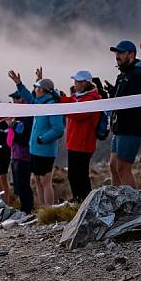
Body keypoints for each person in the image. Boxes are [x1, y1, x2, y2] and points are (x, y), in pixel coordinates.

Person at [8, 70, 64, 206]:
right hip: (35, 150)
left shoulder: (52, 106)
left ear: (43, 90)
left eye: (37, 88)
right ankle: (42, 210)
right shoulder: (39, 103)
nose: (35, 90)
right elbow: (28, 96)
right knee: (38, 180)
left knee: (45, 181)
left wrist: (42, 139)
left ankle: (49, 210)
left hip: (45, 151)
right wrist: (19, 84)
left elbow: (58, 129)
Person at [107, 41, 141, 188]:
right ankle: (116, 199)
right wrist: (111, 93)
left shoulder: (139, 75)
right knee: (113, 165)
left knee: (123, 167)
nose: (117, 56)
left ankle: (130, 204)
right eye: (116, 53)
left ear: (131, 55)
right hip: (119, 126)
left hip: (132, 127)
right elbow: (121, 99)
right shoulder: (123, 75)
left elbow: (138, 103)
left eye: (121, 53)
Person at [60, 70, 102, 201]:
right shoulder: (79, 96)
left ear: (85, 83)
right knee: (74, 175)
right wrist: (59, 97)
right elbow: (70, 101)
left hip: (83, 143)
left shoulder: (91, 99)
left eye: (77, 81)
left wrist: (62, 103)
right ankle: (79, 200)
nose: (75, 83)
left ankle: (84, 201)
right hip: (74, 142)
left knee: (80, 175)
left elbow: (77, 114)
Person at [6, 91, 34, 214]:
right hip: (16, 154)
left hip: (24, 155)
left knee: (23, 183)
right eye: (13, 99)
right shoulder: (18, 115)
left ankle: (27, 208)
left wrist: (12, 124)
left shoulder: (26, 114)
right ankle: (24, 207)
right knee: (18, 184)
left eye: (16, 98)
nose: (14, 101)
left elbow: (23, 135)